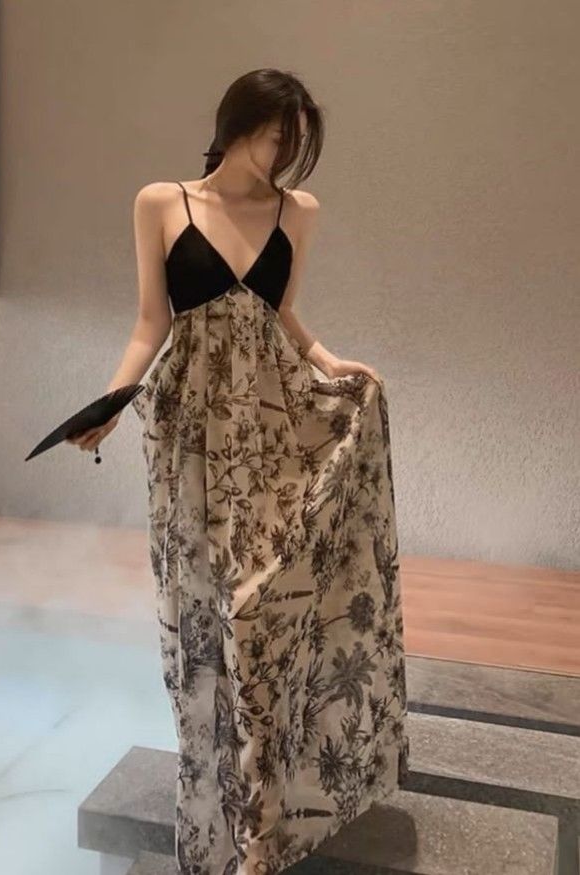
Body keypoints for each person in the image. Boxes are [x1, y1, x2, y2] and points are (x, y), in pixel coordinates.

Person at [70, 68, 410, 875]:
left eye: (295, 141)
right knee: (200, 612)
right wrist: (112, 401)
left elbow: (280, 312)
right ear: (236, 123)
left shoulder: (299, 211)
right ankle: (218, 796)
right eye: (273, 134)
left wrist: (331, 363)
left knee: (261, 609)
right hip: (189, 434)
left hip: (273, 427)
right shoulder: (163, 202)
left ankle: (265, 818)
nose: (282, 152)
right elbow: (151, 320)